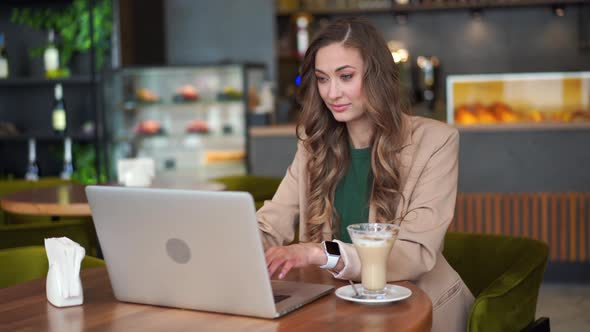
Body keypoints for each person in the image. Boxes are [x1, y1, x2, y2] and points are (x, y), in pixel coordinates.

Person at [257, 17, 473, 331]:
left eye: (345, 76)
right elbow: (272, 221)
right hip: (335, 308)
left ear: (377, 76)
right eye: (322, 79)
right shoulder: (313, 144)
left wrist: (321, 253)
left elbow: (416, 253)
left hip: (415, 309)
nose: (332, 93)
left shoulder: (436, 141)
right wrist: (229, 244)